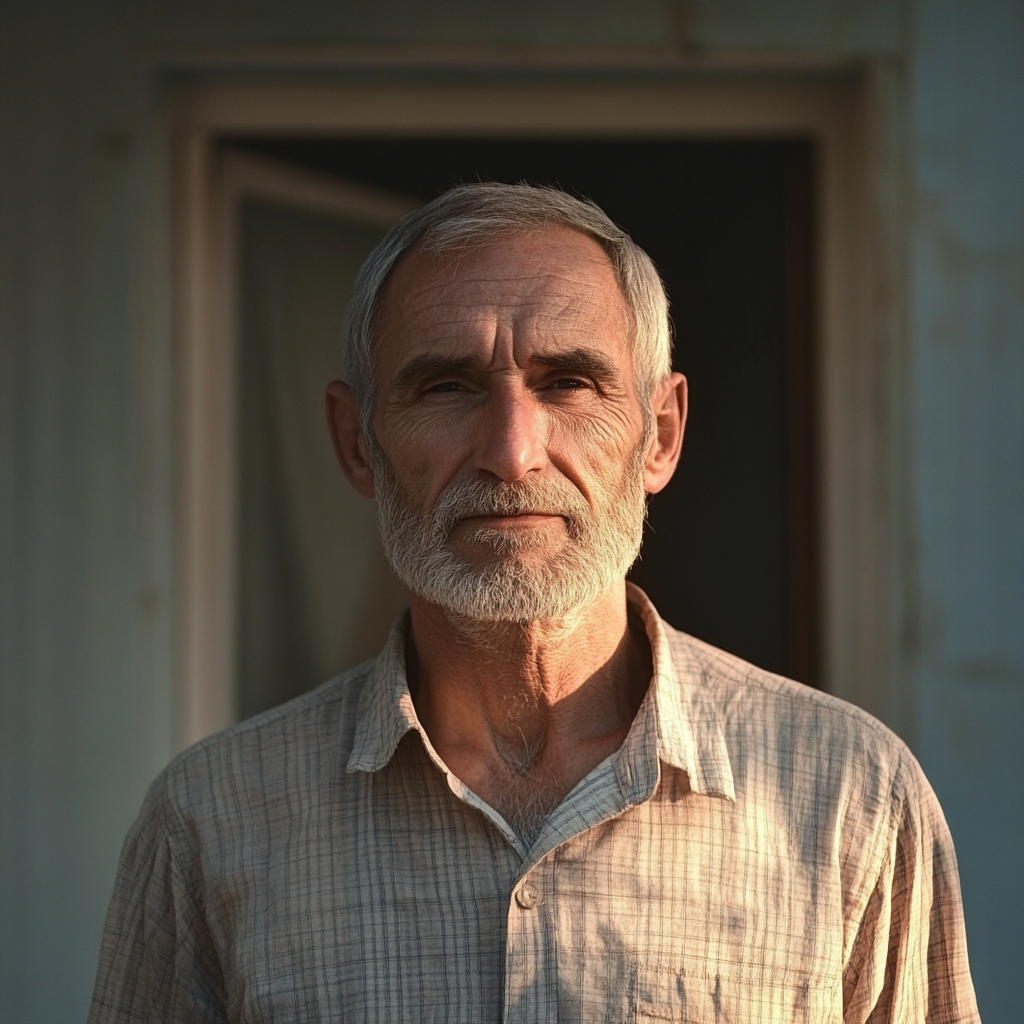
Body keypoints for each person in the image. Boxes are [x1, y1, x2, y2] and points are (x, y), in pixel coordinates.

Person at [89, 183, 980, 1023]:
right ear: (354, 444)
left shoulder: (850, 796)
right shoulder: (210, 821)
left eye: (568, 384)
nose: (512, 451)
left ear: (659, 436)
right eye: (446, 386)